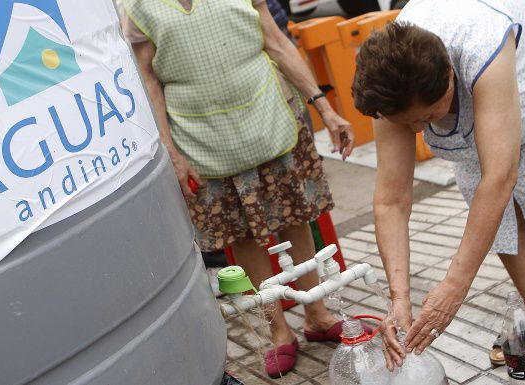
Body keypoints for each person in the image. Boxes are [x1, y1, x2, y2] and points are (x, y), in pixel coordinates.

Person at [352, 0, 525, 372]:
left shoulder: (478, 48)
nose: (418, 131)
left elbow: (500, 178)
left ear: (449, 75)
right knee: (480, 189)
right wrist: (399, 298)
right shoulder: (388, 85)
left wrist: (453, 288)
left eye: (427, 118)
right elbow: (392, 200)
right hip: (489, 67)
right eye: (408, 123)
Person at [118, 0, 361, 378]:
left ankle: (316, 312)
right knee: (243, 237)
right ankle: (278, 332)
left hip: (268, 115)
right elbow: (147, 78)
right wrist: (170, 149)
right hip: (201, 137)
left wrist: (324, 108)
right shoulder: (140, 8)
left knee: (295, 217)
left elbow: (277, 43)